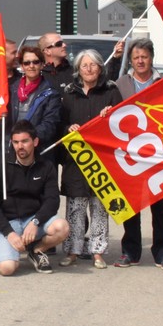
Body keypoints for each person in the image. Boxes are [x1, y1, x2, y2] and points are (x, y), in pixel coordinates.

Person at [112, 37, 163, 271]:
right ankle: (130, 251)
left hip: (159, 156)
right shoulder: (121, 84)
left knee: (160, 209)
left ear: (152, 58)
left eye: (144, 57)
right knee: (131, 207)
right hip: (129, 156)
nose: (140, 61)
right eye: (136, 57)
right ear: (131, 60)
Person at [58, 50, 121, 269]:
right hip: (76, 159)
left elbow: (122, 122)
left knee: (99, 207)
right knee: (75, 208)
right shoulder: (69, 92)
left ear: (101, 67)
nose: (89, 69)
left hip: (102, 159)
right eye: (85, 65)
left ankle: (97, 252)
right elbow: (60, 123)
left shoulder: (111, 90)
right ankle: (73, 251)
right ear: (78, 69)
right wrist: (69, 128)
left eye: (93, 65)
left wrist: (112, 113)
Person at [0, 120, 71, 275]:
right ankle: (6, 251)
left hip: (33, 220)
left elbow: (52, 200)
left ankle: (37, 250)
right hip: (7, 223)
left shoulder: (46, 166)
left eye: (25, 141)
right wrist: (9, 233)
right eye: (16, 142)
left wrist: (35, 221)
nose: (20, 146)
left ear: (35, 141)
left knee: (62, 227)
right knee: (7, 269)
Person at [0, 45, 63, 163]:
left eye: (36, 62)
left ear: (42, 65)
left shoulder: (51, 93)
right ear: (22, 66)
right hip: (9, 151)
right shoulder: (8, 90)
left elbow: (50, 125)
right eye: (27, 63)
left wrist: (26, 140)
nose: (31, 66)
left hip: (37, 153)